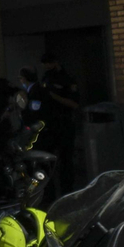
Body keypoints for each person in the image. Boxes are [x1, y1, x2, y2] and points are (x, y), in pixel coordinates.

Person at [38, 52, 81, 192]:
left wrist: (53, 96)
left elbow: (74, 104)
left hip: (64, 123)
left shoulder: (67, 79)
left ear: (55, 62)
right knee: (47, 159)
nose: (45, 66)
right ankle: (48, 191)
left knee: (65, 159)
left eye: (48, 63)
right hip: (48, 125)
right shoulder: (46, 77)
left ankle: (67, 190)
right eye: (44, 64)